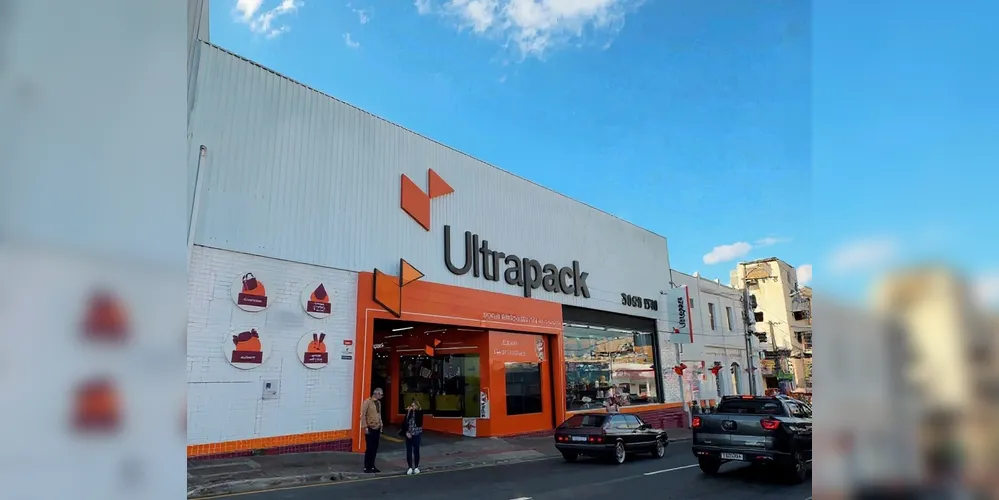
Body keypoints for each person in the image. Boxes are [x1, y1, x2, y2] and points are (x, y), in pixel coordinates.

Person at [360, 388, 384, 473]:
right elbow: (363, 415)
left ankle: (372, 465)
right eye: (381, 394)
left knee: (375, 447)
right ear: (376, 394)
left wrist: (381, 425)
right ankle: (367, 467)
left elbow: (379, 414)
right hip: (370, 427)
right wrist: (365, 426)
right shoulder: (367, 402)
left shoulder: (378, 403)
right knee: (369, 448)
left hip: (377, 427)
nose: (381, 396)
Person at [400, 400, 424, 475]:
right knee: (409, 451)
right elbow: (404, 423)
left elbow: (419, 422)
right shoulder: (408, 413)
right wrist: (406, 432)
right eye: (411, 405)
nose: (412, 407)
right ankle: (410, 467)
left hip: (416, 434)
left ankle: (416, 467)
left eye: (414, 406)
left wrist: (415, 411)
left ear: (417, 406)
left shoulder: (419, 413)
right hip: (409, 434)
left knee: (416, 450)